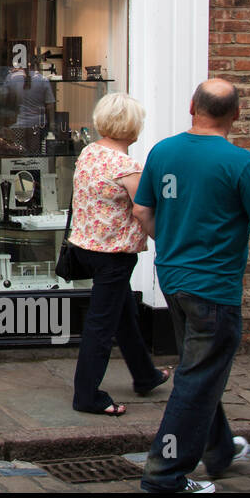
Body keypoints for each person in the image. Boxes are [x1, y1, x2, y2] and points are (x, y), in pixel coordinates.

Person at [134, 79, 250, 493]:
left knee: (199, 370)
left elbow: (142, 209)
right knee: (196, 379)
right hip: (214, 289)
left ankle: (220, 448)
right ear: (237, 115)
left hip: (172, 280)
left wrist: (172, 242)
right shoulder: (240, 163)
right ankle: (165, 475)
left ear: (192, 106)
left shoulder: (163, 151)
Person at [68, 92, 169, 416]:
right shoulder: (126, 165)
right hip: (113, 254)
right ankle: (87, 395)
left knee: (123, 313)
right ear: (132, 126)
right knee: (101, 326)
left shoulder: (89, 153)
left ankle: (145, 375)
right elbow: (142, 210)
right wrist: (164, 239)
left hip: (84, 246)